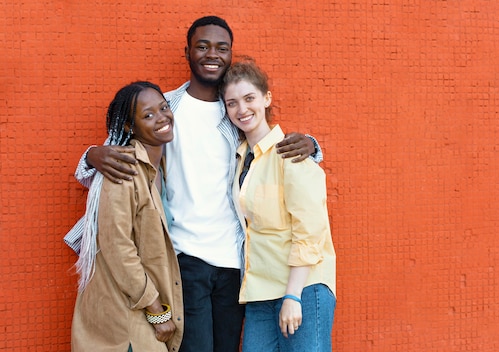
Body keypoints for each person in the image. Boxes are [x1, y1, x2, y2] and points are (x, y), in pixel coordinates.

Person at [66, 16, 322, 352]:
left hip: (234, 262)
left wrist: (313, 147)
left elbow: (271, 150)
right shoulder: (165, 107)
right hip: (185, 257)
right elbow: (121, 154)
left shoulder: (235, 112)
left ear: (231, 55)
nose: (211, 54)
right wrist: (92, 155)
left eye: (221, 48)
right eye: (202, 46)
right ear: (187, 52)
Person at [222, 59, 336, 352]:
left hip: (303, 289)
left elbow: (310, 230)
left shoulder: (291, 153)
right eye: (232, 103)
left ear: (266, 98)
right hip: (259, 292)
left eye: (249, 98)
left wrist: (293, 295)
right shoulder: (240, 159)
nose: (242, 109)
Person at [71, 81, 183, 352]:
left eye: (164, 107)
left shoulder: (163, 167)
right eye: (148, 115)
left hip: (144, 308)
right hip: (127, 317)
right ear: (128, 127)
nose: (161, 117)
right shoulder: (124, 170)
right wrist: (157, 310)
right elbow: (118, 247)